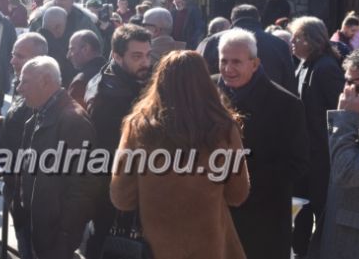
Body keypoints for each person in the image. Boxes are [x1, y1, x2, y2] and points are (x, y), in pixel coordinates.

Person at [111, 51, 250, 259]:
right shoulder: (223, 128)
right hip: (210, 246)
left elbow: (122, 197)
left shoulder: (139, 127)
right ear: (204, 82)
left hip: (154, 247)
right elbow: (237, 194)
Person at [214, 28, 309, 259]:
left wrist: (240, 181)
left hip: (262, 220)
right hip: (213, 217)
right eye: (223, 61)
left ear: (255, 64)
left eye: (236, 61)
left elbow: (296, 164)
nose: (228, 68)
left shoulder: (286, 105)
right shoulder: (206, 92)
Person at [310, 45, 359, 259]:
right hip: (339, 231)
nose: (344, 89)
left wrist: (345, 117)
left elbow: (347, 172)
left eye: (350, 83)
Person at [14, 56, 97, 259]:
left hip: (54, 238)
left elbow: (83, 188)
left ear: (45, 81)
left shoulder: (73, 121)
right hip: (35, 227)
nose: (18, 89)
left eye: (25, 81)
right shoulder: (38, 114)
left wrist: (65, 236)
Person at [84, 24, 153, 258]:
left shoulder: (124, 80)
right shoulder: (110, 97)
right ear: (117, 55)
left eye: (147, 55)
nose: (145, 62)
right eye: (137, 56)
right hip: (112, 194)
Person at [0, 33, 48, 257]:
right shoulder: (21, 82)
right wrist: (4, 123)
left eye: (19, 56)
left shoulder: (44, 92)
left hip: (28, 193)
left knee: (31, 246)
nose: (12, 60)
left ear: (38, 60)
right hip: (13, 182)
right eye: (13, 54)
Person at [288, 16, 345, 256]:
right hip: (306, 152)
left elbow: (339, 112)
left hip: (321, 155)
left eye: (297, 37)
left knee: (320, 210)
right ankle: (301, 250)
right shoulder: (305, 64)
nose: (292, 41)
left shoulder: (326, 68)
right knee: (300, 208)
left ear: (312, 41)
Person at [198, 4, 296, 93]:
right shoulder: (279, 45)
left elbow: (198, 77)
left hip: (223, 106)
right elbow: (290, 83)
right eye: (223, 61)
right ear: (259, 19)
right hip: (269, 105)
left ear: (232, 19)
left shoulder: (211, 42)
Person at [29, 0, 100, 39]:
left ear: (72, 1)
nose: (57, 2)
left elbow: (96, 45)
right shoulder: (41, 18)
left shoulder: (83, 21)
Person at [38, 6, 77, 87]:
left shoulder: (30, 41)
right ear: (58, 27)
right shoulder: (55, 50)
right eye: (64, 25)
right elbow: (66, 77)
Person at [66, 29, 106, 107]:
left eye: (72, 49)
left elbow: (76, 116)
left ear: (86, 49)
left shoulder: (80, 83)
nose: (68, 55)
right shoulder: (114, 73)